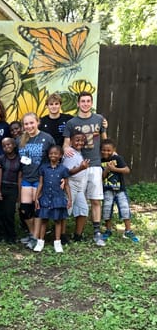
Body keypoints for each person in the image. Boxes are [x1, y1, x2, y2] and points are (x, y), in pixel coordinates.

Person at [63, 91, 107, 247]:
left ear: (91, 103)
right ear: (78, 103)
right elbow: (66, 144)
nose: (86, 104)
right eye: (83, 101)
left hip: (94, 163)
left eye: (88, 101)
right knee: (73, 198)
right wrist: (65, 150)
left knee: (95, 199)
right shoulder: (71, 122)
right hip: (78, 165)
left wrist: (112, 155)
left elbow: (105, 141)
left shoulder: (99, 119)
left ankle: (97, 232)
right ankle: (64, 233)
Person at [18, 113, 55, 249]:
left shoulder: (47, 138)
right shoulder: (20, 140)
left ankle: (36, 237)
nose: (29, 126)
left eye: (31, 123)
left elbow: (55, 157)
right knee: (25, 210)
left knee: (38, 209)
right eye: (26, 124)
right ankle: (33, 233)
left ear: (37, 122)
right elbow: (12, 156)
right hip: (27, 178)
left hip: (40, 179)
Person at [34, 145, 72, 253]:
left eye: (56, 153)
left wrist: (70, 199)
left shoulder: (63, 169)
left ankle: (57, 243)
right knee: (44, 220)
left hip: (58, 198)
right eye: (51, 153)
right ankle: (40, 242)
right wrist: (36, 198)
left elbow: (67, 185)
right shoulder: (44, 168)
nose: (53, 155)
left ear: (60, 155)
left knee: (58, 221)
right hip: (45, 197)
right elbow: (40, 184)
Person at [101, 139, 138, 242]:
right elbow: (101, 177)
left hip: (120, 190)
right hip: (107, 190)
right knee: (107, 210)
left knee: (125, 209)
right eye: (103, 150)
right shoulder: (100, 161)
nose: (106, 152)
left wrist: (114, 169)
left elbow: (127, 170)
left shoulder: (118, 158)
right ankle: (108, 230)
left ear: (113, 150)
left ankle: (128, 230)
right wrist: (107, 170)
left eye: (108, 150)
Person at [62, 131, 90, 242]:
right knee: (66, 210)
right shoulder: (71, 154)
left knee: (83, 209)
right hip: (70, 184)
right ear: (71, 141)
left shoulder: (78, 153)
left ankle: (78, 235)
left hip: (79, 186)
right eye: (77, 140)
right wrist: (81, 168)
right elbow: (66, 172)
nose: (80, 142)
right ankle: (62, 236)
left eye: (82, 140)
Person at [0, 137, 21, 244]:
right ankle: (1, 235)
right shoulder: (1, 159)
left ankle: (11, 235)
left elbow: (20, 177)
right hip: (3, 187)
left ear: (14, 145)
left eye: (9, 144)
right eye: (4, 146)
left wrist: (19, 193)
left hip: (13, 188)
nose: (7, 147)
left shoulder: (20, 159)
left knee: (9, 213)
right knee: (0, 213)